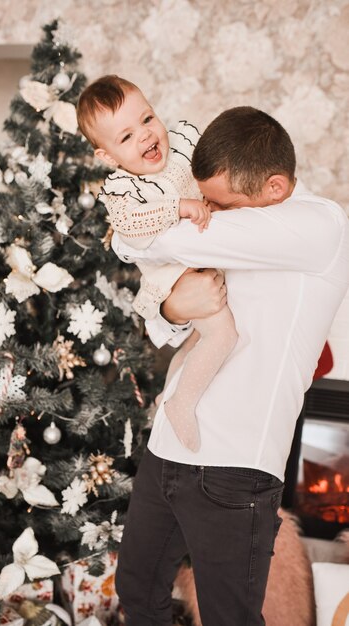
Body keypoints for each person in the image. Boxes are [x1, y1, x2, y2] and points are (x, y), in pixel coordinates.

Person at [111, 106, 349, 625]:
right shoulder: (234, 225)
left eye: (222, 205)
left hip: (234, 466)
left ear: (275, 188)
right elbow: (170, 315)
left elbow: (140, 238)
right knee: (136, 588)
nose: (208, 213)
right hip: (167, 444)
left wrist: (135, 223)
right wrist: (176, 307)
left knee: (230, 617)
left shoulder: (321, 225)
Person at [76, 75, 237, 452]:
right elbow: (129, 225)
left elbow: (216, 170)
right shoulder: (122, 189)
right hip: (175, 279)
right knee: (223, 334)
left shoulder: (183, 146)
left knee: (200, 340)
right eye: (126, 137)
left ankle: (168, 397)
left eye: (147, 120)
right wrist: (179, 207)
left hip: (209, 266)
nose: (146, 136)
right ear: (108, 157)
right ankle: (183, 403)